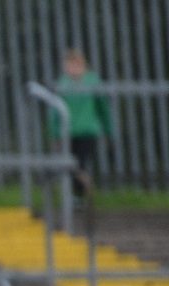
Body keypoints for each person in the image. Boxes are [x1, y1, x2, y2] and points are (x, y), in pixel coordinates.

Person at [51, 49, 113, 199]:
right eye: (70, 65)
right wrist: (54, 133)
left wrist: (108, 129)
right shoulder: (62, 84)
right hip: (68, 132)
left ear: (83, 66)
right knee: (69, 164)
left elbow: (102, 107)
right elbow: (54, 112)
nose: (73, 69)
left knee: (80, 163)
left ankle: (81, 195)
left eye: (76, 65)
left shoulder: (93, 82)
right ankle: (81, 192)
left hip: (87, 131)